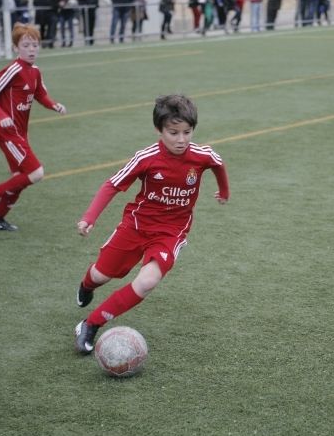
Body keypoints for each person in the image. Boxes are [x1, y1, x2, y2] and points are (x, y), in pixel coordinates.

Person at [73, 94, 230, 354]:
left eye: (187, 132)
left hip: (172, 231)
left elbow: (218, 163)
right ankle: (87, 284)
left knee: (147, 282)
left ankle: (90, 324)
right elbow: (112, 184)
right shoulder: (145, 157)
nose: (181, 140)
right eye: (173, 132)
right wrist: (89, 218)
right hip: (136, 225)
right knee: (102, 274)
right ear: (159, 130)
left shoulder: (202, 155)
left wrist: (224, 191)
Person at [0, 23, 67, 232]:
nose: (31, 49)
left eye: (35, 45)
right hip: (7, 133)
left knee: (21, 177)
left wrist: (54, 105)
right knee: (36, 172)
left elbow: (40, 95)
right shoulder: (14, 69)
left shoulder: (35, 71)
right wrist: (1, 116)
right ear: (16, 48)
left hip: (20, 133)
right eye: (26, 45)